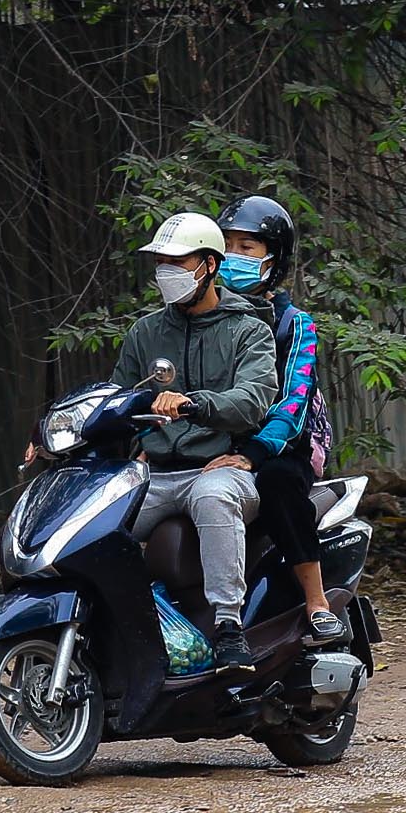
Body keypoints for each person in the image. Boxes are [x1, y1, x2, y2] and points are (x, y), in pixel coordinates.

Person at [106, 211, 279, 669]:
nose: (167, 273)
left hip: (219, 466)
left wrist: (193, 403)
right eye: (161, 262)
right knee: (101, 519)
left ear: (209, 266)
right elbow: (117, 397)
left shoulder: (249, 330)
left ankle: (228, 626)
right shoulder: (145, 332)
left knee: (213, 496)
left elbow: (254, 399)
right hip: (156, 472)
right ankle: (110, 624)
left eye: (178, 263)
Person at [212, 194, 345, 646]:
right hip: (217, 445)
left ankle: (316, 601)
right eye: (226, 245)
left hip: (287, 441)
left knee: (277, 483)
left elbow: (292, 402)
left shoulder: (294, 323)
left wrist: (252, 453)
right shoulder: (202, 318)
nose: (233, 257)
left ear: (274, 259)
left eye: (246, 248)